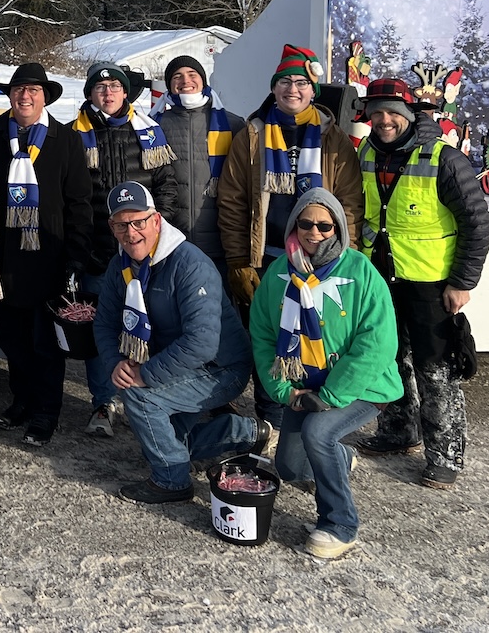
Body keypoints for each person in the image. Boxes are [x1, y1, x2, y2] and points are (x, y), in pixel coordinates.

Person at [351, 77, 489, 489]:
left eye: (393, 112)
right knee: (389, 358)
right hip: (381, 276)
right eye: (376, 113)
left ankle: (445, 454)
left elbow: (477, 224)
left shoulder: (445, 159)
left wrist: (462, 281)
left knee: (436, 368)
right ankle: (398, 430)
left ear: (411, 114)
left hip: (432, 282)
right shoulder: (365, 151)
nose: (384, 120)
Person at [92, 181, 268, 503]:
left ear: (156, 220)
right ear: (112, 227)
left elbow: (201, 342)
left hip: (221, 367)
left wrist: (145, 375)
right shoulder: (120, 266)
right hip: (175, 363)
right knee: (168, 442)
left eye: (138, 222)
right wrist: (115, 362)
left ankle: (172, 481)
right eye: (121, 225)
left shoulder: (189, 264)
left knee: (142, 399)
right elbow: (104, 322)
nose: (131, 233)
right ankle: (250, 434)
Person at [249, 188, 401, 558]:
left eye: (324, 225)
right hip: (303, 387)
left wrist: (330, 397)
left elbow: (377, 344)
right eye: (305, 223)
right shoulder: (277, 274)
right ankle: (338, 458)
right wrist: (283, 390)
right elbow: (263, 335)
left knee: (319, 432)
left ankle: (340, 525)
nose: (314, 232)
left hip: (362, 388)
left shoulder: (361, 272)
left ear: (338, 229)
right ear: (294, 225)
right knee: (288, 466)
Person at [217, 44, 362, 424]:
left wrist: (346, 255)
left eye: (300, 82)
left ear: (313, 89)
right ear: (273, 88)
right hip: (268, 258)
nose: (292, 89)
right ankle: (271, 419)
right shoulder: (251, 135)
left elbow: (349, 204)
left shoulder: (334, 139)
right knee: (269, 340)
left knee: (322, 338)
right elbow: (232, 202)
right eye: (284, 82)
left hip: (322, 260)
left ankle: (317, 420)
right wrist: (237, 259)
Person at [0, 61, 93, 447]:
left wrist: (76, 256)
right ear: (10, 95)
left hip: (48, 253)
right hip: (4, 253)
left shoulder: (66, 139)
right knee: (11, 335)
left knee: (44, 341)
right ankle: (21, 399)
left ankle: (46, 410)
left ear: (44, 97)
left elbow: (79, 202)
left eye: (33, 91)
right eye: (19, 90)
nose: (25, 97)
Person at [70, 62, 178, 439]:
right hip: (99, 250)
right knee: (104, 328)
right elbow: (69, 196)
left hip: (145, 249)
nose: (108, 93)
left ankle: (147, 394)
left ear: (126, 92)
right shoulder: (74, 135)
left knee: (151, 324)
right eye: (100, 88)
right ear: (89, 94)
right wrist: (82, 248)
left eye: (116, 86)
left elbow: (166, 186)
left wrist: (156, 238)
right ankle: (103, 400)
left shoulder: (149, 131)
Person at [154, 54, 244, 267]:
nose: (185, 81)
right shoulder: (154, 127)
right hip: (172, 244)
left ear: (203, 80)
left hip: (221, 245)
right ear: (169, 85)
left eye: (192, 74)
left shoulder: (232, 124)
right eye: (177, 76)